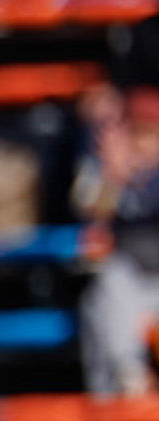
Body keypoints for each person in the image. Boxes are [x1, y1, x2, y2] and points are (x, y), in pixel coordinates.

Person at [80, 87, 159, 396]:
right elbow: (90, 213)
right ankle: (127, 382)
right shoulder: (104, 168)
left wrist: (140, 179)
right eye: (135, 132)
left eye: (149, 133)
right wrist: (114, 177)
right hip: (132, 282)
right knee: (107, 290)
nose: (141, 143)